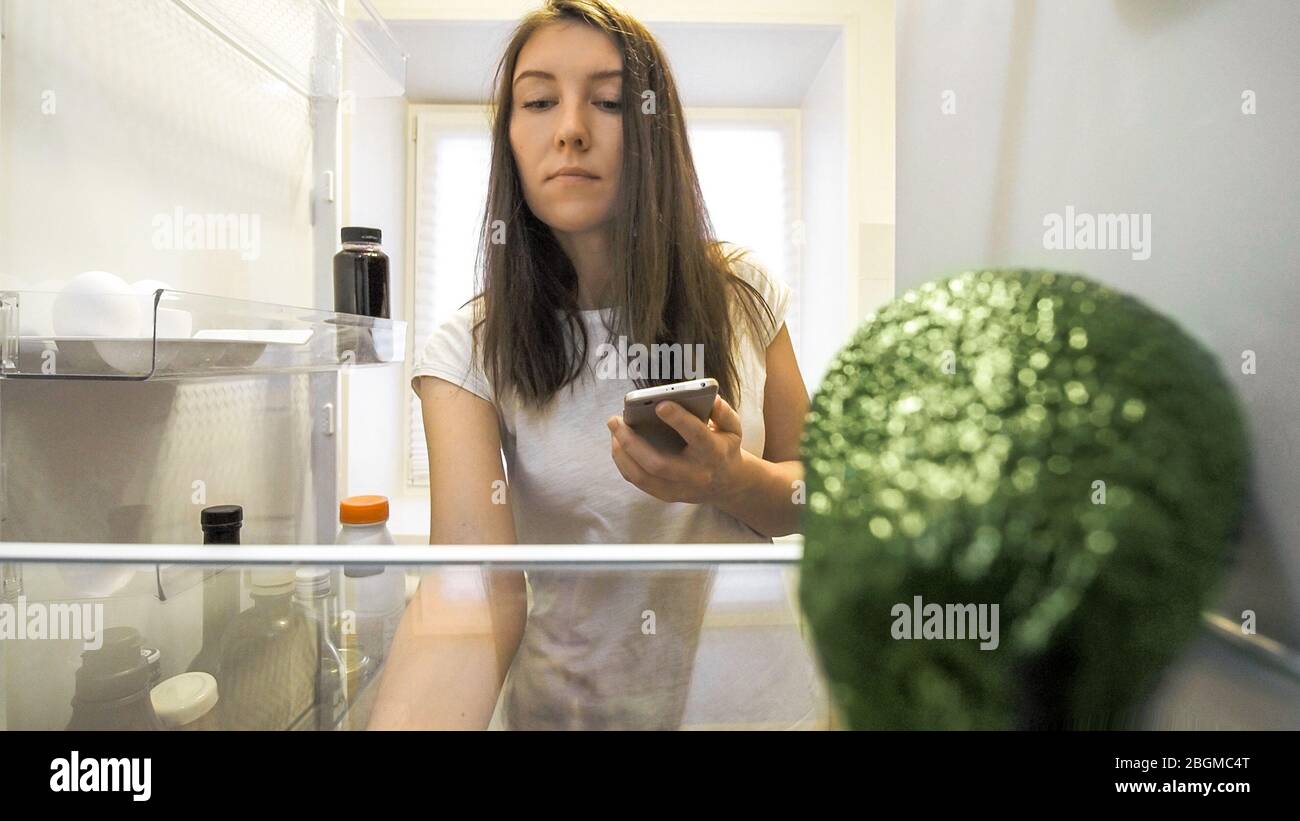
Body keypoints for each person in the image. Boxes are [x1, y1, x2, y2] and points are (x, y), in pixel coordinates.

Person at [367, 0, 809, 730]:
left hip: (753, 706)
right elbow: (477, 589)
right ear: (509, 136)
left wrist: (735, 480)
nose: (570, 128)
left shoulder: (742, 292)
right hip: (575, 715)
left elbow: (820, 495)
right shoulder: (470, 347)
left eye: (606, 101)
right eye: (538, 101)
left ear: (651, 133)